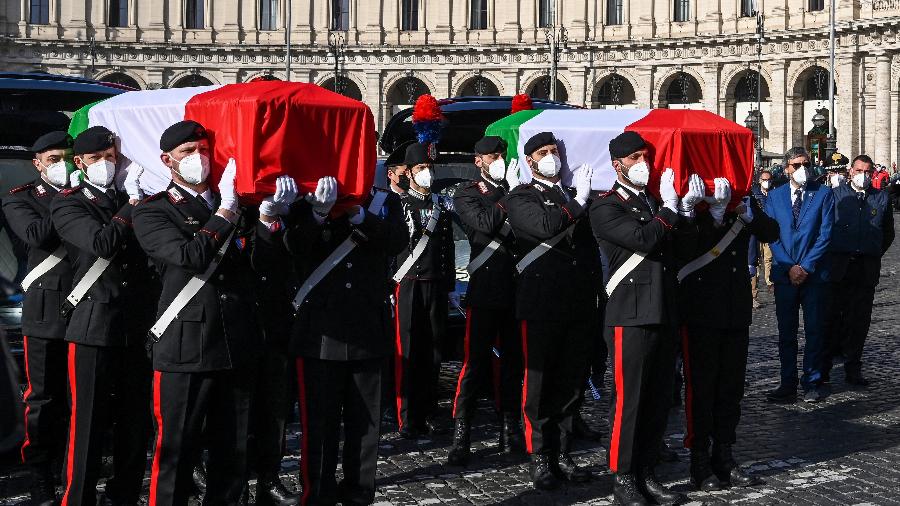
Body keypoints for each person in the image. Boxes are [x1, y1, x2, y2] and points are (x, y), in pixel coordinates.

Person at [133, 121, 261, 505]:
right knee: (176, 451)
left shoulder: (239, 204)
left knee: (233, 453)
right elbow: (191, 257)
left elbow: (263, 264)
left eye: (204, 150)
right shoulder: (153, 211)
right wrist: (224, 211)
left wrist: (269, 218)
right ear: (166, 160)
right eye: (188, 152)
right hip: (184, 346)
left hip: (234, 342)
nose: (198, 159)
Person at [273, 174, 408, 506]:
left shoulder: (382, 202)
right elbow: (294, 247)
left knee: (366, 428)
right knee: (320, 428)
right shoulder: (305, 204)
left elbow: (397, 240)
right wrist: (318, 214)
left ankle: (359, 495)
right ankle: (316, 495)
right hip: (320, 334)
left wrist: (359, 215)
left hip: (367, 331)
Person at [50, 126, 159, 506]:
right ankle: (77, 497)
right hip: (93, 325)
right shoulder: (68, 203)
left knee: (134, 422)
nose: (106, 165)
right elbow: (102, 243)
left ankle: (125, 494)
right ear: (79, 163)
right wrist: (131, 202)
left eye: (111, 158)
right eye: (97, 159)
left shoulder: (136, 199)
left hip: (136, 323)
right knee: (88, 423)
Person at [590, 131, 690, 506]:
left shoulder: (653, 202)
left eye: (645, 156)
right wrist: (668, 210)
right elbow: (644, 240)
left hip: (662, 310)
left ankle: (648, 471)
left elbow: (676, 247)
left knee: (658, 399)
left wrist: (687, 213)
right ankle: (624, 477)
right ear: (618, 165)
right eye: (635, 158)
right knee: (628, 401)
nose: (643, 164)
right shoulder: (605, 206)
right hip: (628, 315)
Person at [504, 132, 599, 490]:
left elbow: (589, 250)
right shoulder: (521, 197)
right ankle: (540, 456)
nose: (551, 157)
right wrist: (581, 201)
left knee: (571, 383)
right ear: (530, 160)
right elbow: (546, 226)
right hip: (541, 303)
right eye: (543, 152)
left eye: (555, 151)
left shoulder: (574, 195)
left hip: (576, 303)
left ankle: (563, 451)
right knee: (540, 383)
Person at [677, 176, 779, 491]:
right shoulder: (696, 202)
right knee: (702, 388)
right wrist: (714, 217)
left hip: (736, 311)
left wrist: (748, 214)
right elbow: (684, 249)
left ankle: (725, 454)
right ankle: (699, 460)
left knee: (731, 389)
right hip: (702, 312)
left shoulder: (741, 198)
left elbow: (771, 232)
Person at [2, 131, 75, 505]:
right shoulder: (22, 199)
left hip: (86, 309)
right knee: (45, 399)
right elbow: (37, 234)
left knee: (81, 398)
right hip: (45, 313)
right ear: (38, 164)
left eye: (66, 156)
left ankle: (73, 471)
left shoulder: (85, 193)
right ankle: (40, 472)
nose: (61, 164)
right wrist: (68, 199)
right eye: (53, 159)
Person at [448, 136, 524, 466]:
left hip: (515, 289)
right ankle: (461, 434)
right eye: (492, 156)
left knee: (513, 364)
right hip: (484, 289)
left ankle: (510, 430)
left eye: (501, 155)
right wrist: (509, 193)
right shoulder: (467, 192)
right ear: (479, 161)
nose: (498, 160)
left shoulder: (516, 189)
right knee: (474, 364)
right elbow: (484, 223)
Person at [392, 142, 457, 437]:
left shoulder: (440, 205)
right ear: (409, 173)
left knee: (433, 351)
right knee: (408, 350)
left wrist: (451, 284)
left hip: (437, 284)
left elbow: (448, 247)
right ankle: (407, 416)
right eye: (421, 168)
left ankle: (429, 410)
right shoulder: (400, 205)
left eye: (430, 168)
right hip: (409, 285)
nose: (427, 173)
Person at [764, 147, 834, 404]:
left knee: (814, 330)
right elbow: (771, 235)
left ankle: (812, 381)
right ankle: (787, 382)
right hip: (785, 274)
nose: (802, 168)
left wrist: (805, 266)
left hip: (813, 274)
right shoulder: (775, 196)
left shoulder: (823, 194)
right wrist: (789, 266)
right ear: (786, 169)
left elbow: (825, 234)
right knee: (787, 333)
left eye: (805, 163)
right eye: (796, 164)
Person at [822, 155, 894, 386]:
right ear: (851, 171)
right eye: (859, 170)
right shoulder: (835, 195)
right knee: (831, 317)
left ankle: (853, 366)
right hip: (839, 266)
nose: (862, 174)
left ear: (872, 173)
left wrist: (871, 250)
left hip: (865, 268)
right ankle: (824, 367)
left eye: (867, 170)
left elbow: (887, 233)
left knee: (859, 320)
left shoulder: (881, 197)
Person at [749, 169, 775, 308]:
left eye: (769, 180)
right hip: (757, 232)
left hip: (769, 231)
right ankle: (753, 294)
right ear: (760, 181)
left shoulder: (774, 194)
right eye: (764, 180)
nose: (767, 182)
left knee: (769, 259)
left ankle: (770, 283)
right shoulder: (754, 194)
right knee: (755, 262)